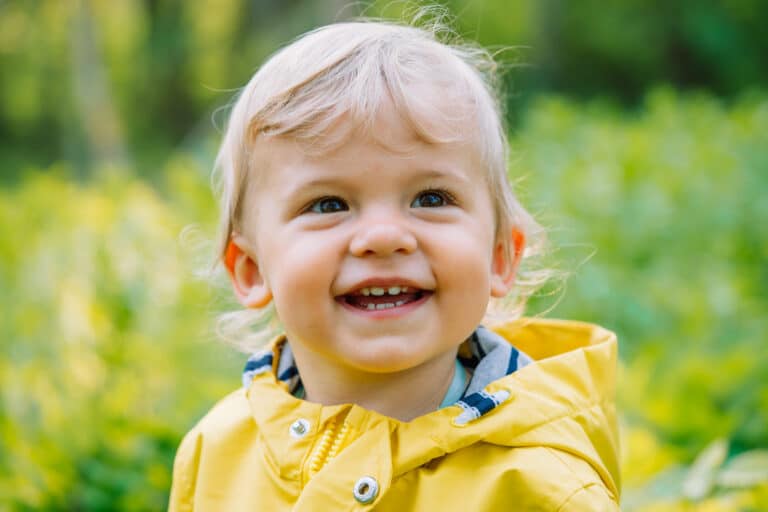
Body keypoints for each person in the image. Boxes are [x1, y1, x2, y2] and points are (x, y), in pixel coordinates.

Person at [169, 15, 620, 512]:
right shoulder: (217, 453)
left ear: (499, 256)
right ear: (251, 270)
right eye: (328, 204)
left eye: (430, 197)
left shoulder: (539, 488)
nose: (384, 237)